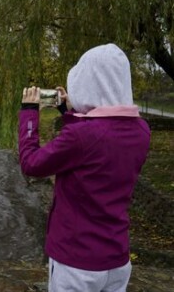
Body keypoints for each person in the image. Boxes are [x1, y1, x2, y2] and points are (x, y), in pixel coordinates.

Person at [18, 44, 150, 292]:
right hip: (117, 261)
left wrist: (28, 114)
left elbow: (31, 163)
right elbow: (94, 143)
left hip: (76, 262)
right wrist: (71, 111)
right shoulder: (142, 131)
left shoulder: (82, 137)